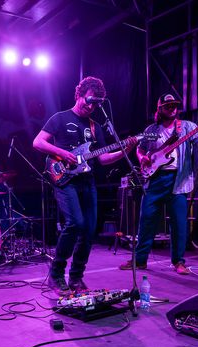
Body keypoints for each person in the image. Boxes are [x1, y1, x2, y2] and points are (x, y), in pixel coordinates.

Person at [33, 76, 136, 294]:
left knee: (89, 229)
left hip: (87, 180)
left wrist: (126, 149)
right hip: (63, 178)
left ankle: (76, 278)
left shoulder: (96, 127)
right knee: (75, 223)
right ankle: (56, 274)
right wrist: (62, 153)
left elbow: (103, 158)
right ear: (79, 95)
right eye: (88, 101)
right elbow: (38, 142)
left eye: (96, 103)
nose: (91, 106)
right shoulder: (60, 118)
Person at [119, 93, 198, 274]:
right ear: (160, 108)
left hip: (177, 180)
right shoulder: (151, 130)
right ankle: (140, 260)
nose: (172, 108)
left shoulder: (187, 127)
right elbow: (140, 150)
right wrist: (143, 159)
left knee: (179, 223)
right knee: (146, 221)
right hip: (155, 180)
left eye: (174, 105)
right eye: (168, 105)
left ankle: (178, 262)